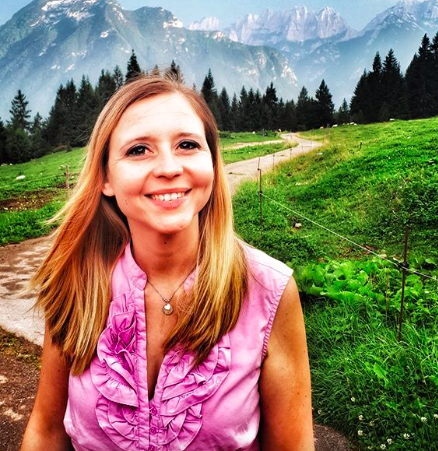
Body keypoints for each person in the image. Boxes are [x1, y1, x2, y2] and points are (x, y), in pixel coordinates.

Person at [21, 74, 314, 450]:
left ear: (212, 163)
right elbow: (46, 430)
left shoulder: (268, 291)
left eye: (187, 145)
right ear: (105, 177)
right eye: (138, 150)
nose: (168, 167)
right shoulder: (76, 282)